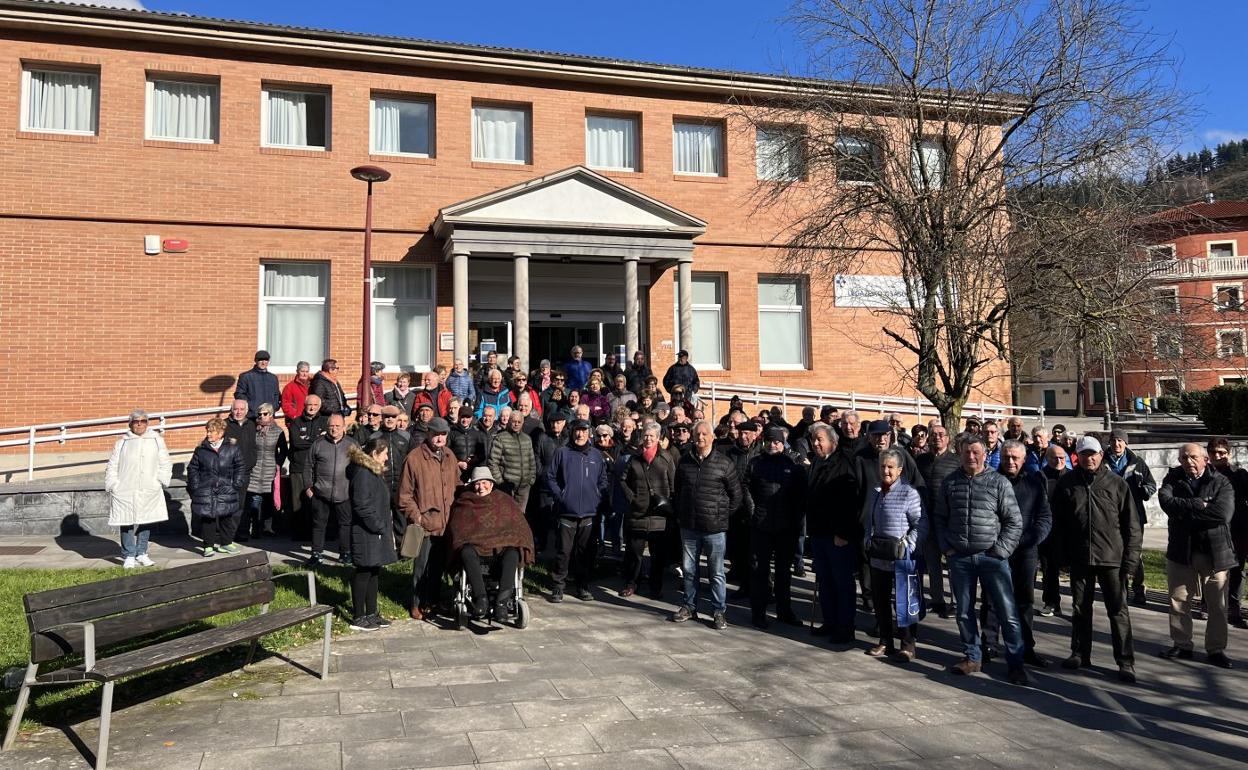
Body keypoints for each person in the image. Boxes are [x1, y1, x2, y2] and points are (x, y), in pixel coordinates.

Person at [933, 434, 1030, 685]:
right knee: (964, 612)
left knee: (1007, 613)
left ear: (985, 454)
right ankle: (972, 656)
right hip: (960, 559)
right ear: (960, 453)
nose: (971, 457)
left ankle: (1016, 663)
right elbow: (940, 518)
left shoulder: (998, 483)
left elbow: (1014, 521)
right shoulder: (951, 482)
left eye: (976, 452)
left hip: (992, 558)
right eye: (967, 452)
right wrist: (947, 547)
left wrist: (1000, 551)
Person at [1050, 436, 1141, 683]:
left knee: (1118, 611)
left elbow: (1132, 525)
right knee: (1080, 608)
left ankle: (1125, 661)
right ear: (1077, 457)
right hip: (1080, 557)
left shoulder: (1117, 484)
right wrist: (1060, 556)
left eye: (1094, 454)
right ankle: (1079, 653)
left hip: (1112, 558)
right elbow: (1057, 523)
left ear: (1101, 454)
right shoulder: (1067, 483)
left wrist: (1131, 561)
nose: (1089, 458)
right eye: (1084, 454)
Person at [1158, 443, 1235, 668]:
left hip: (1215, 553)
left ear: (1205, 460)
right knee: (1179, 600)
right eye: (1183, 458)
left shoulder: (1221, 481)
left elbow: (1223, 514)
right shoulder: (1173, 479)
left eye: (1192, 457)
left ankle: (1216, 649)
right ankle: (1182, 645)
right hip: (1181, 552)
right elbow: (1166, 503)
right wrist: (1197, 504)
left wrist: (1185, 514)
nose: (1188, 462)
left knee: (1217, 605)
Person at [672, 420, 742, 630]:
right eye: (697, 434)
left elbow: (736, 495)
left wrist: (721, 516)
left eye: (704, 434)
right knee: (689, 569)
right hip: (689, 527)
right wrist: (681, 513)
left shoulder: (724, 463)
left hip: (715, 529)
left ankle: (718, 610)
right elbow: (678, 491)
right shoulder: (685, 462)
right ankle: (689, 606)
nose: (700, 437)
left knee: (716, 572)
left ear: (712, 437)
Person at [447, 466, 536, 621]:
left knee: (513, 552)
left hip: (498, 553)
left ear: (491, 484)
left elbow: (518, 527)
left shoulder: (504, 501)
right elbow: (458, 530)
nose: (481, 487)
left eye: (484, 483)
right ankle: (481, 598)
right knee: (465, 551)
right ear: (472, 485)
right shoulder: (465, 502)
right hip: (475, 555)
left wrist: (511, 539)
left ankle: (502, 603)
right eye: (477, 483)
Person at [864, 447, 926, 661]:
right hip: (879, 555)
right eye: (882, 467)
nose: (886, 471)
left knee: (905, 601)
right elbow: (869, 520)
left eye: (891, 467)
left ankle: (908, 645)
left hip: (902, 557)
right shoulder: (876, 491)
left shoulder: (910, 493)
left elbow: (920, 524)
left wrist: (908, 544)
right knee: (880, 600)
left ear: (900, 470)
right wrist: (867, 537)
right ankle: (885, 641)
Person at [995, 440, 1053, 667]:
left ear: (1023, 459)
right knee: (992, 600)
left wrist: (1030, 540)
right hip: (997, 549)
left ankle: (1026, 647)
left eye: (1015, 458)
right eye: (1006, 457)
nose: (1010, 462)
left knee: (1024, 601)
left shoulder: (1034, 482)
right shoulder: (992, 480)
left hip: (1026, 550)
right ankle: (989, 644)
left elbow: (1044, 517)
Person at [746, 426, 808, 629]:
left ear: (783, 444)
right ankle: (758, 613)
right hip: (761, 525)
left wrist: (795, 518)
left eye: (777, 442)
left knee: (783, 572)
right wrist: (753, 509)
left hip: (786, 527)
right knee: (760, 572)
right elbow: (745, 487)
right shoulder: (756, 463)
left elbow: (801, 495)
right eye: (769, 441)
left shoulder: (793, 464)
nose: (772, 445)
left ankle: (784, 611)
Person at [398, 417, 460, 620]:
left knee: (438, 566)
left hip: (446, 522)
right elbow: (404, 496)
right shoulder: (414, 459)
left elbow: (457, 486)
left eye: (443, 434)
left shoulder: (450, 456)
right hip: (425, 524)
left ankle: (432, 601)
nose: (440, 438)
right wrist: (417, 517)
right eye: (436, 434)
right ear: (428, 434)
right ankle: (416, 603)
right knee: (421, 568)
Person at [806, 424, 862, 642]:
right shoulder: (817, 463)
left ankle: (845, 626)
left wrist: (843, 533)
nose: (816, 443)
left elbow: (849, 501)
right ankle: (829, 622)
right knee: (825, 581)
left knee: (842, 583)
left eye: (820, 439)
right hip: (819, 533)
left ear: (833, 441)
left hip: (838, 535)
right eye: (813, 440)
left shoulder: (844, 463)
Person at [545, 419, 609, 601]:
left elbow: (603, 480)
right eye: (577, 431)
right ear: (572, 432)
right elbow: (550, 477)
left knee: (585, 552)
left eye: (583, 431)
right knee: (564, 551)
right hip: (567, 511)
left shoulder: (596, 455)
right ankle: (558, 586)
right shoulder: (562, 453)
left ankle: (582, 585)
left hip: (589, 512)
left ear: (589, 433)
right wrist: (561, 495)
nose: (580, 434)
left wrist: (597, 495)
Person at [105, 409, 172, 568]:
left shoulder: (156, 440)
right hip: (126, 489)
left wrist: (160, 481)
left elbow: (165, 462)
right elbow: (113, 465)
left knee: (146, 520)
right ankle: (128, 554)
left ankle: (142, 552)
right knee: (126, 521)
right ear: (131, 424)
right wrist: (114, 484)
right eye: (136, 421)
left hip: (149, 487)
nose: (140, 424)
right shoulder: (122, 443)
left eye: (143, 421)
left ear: (147, 423)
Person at [345, 438, 398, 631]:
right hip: (366, 532)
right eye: (384, 454)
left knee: (374, 571)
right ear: (375, 454)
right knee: (364, 572)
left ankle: (372, 613)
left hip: (375, 532)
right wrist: (378, 526)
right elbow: (361, 505)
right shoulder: (363, 474)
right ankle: (359, 617)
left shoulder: (372, 472)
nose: (386, 459)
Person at [620, 421, 676, 598]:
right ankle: (631, 583)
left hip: (659, 516)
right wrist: (632, 498)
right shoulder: (634, 458)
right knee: (634, 554)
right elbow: (622, 480)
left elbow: (674, 485)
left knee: (657, 556)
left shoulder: (666, 458)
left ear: (658, 438)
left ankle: (655, 587)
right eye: (645, 435)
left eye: (652, 436)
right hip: (638, 514)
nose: (648, 439)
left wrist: (669, 504)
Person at [1104, 429, 1157, 605]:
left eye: (1120, 441)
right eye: (1113, 441)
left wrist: (1144, 491)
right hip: (1109, 516)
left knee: (1135, 553)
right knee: (1116, 553)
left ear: (1126, 443)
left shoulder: (1137, 462)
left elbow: (1151, 484)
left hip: (1134, 515)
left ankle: (1139, 588)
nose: (1116, 444)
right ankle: (1121, 590)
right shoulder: (1102, 462)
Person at [916, 423, 959, 618]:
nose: (937, 438)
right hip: (927, 518)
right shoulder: (921, 460)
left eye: (941, 435)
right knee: (932, 563)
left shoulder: (956, 461)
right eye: (933, 435)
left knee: (953, 563)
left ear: (948, 439)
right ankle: (937, 599)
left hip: (949, 520)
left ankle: (956, 602)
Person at [187, 417, 246, 557]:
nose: (208, 434)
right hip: (206, 488)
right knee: (208, 517)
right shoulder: (201, 449)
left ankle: (226, 543)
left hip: (226, 488)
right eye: (207, 431)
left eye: (211, 431)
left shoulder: (233, 448)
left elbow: (240, 466)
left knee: (226, 516)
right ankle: (208, 546)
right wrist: (195, 485)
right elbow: (192, 468)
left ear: (220, 433)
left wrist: (236, 483)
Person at [1208, 438, 1248, 629]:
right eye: (1214, 452)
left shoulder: (1240, 475)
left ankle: (1234, 607)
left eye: (1222, 453)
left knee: (1238, 570)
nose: (1218, 456)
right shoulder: (1204, 475)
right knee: (1211, 568)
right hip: (1213, 530)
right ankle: (1209, 604)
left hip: (1238, 530)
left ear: (1228, 454)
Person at [306, 414, 356, 566]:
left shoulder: (352, 444)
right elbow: (308, 466)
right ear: (327, 427)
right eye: (331, 426)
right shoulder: (318, 444)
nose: (334, 429)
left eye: (337, 426)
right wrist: (308, 487)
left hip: (344, 492)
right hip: (321, 493)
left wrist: (355, 489)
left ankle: (345, 553)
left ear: (343, 427)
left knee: (345, 525)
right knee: (318, 525)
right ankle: (316, 554)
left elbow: (359, 466)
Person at [241, 403, 287, 541]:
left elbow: (283, 450)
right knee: (254, 501)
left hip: (270, 470)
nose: (261, 416)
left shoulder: (278, 431)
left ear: (271, 414)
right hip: (255, 470)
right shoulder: (253, 430)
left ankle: (267, 528)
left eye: (265, 414)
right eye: (259, 414)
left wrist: (277, 464)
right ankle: (255, 529)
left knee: (268, 502)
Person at [286, 394, 327, 539]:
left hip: (318, 469)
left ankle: (317, 533)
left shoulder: (325, 421)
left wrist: (309, 441)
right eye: (310, 404)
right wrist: (316, 440)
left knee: (317, 502)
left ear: (319, 407)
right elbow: (296, 443)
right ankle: (299, 533)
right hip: (298, 467)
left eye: (315, 405)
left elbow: (326, 442)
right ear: (305, 405)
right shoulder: (296, 422)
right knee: (298, 502)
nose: (312, 407)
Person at [1037, 444, 1069, 617]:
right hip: (1047, 530)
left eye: (1062, 458)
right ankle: (1051, 601)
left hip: (1068, 530)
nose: (1059, 461)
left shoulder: (1071, 477)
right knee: (1049, 569)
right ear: (1047, 459)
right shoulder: (1040, 477)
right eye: (1055, 458)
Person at [375, 404, 412, 543]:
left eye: (393, 417)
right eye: (386, 417)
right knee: (381, 517)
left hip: (400, 484)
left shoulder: (406, 437)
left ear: (397, 419)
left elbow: (412, 460)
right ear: (382, 418)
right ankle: (383, 548)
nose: (390, 419)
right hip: (381, 484)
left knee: (400, 519)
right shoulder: (374, 437)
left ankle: (402, 551)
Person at [489, 410, 538, 510]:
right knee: (506, 516)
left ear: (522, 423)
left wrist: (531, 480)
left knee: (520, 518)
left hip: (524, 488)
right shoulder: (500, 438)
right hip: (506, 487)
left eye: (519, 422)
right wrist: (500, 483)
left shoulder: (527, 439)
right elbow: (493, 462)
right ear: (509, 421)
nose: (516, 424)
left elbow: (532, 462)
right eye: (514, 421)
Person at [235, 350, 281, 420]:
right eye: (260, 360)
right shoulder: (246, 376)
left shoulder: (273, 378)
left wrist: (274, 408)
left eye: (266, 360)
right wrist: (252, 407)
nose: (263, 362)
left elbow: (276, 395)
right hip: (252, 416)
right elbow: (239, 394)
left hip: (269, 417)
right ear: (255, 361)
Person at [449, 405, 486, 480]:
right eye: (463, 417)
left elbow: (482, 454)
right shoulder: (451, 432)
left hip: (473, 472)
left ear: (471, 418)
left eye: (468, 417)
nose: (465, 420)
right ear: (458, 417)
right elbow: (447, 452)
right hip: (456, 472)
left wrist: (474, 460)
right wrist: (458, 463)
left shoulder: (477, 433)